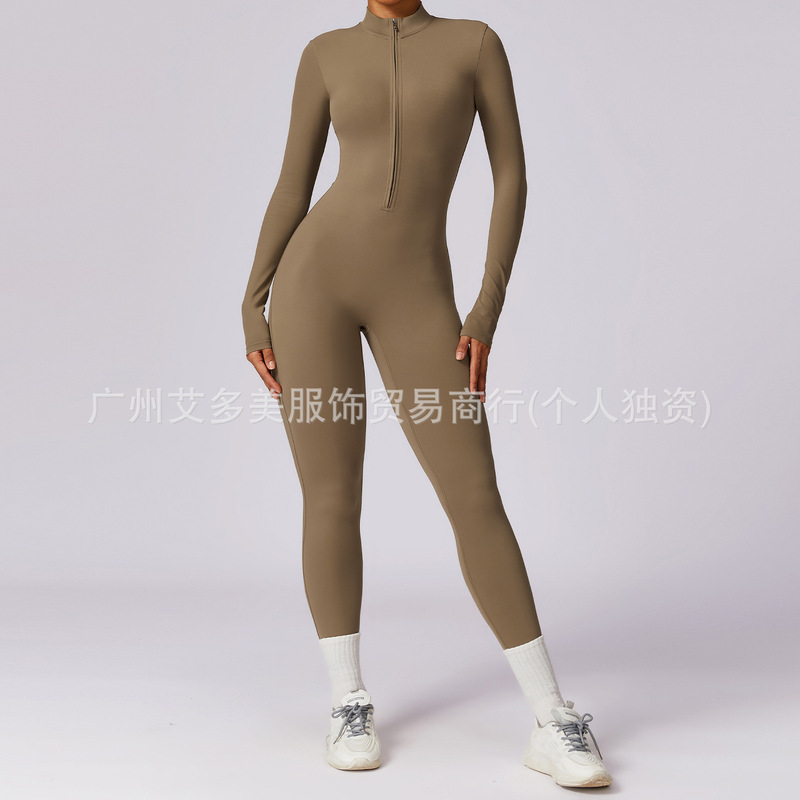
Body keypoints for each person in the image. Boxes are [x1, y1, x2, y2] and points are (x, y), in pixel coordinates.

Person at [241, 0, 612, 788]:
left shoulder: (474, 45)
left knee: (473, 493)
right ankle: (348, 701)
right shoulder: (324, 52)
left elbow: (511, 174)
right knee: (330, 495)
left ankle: (553, 718)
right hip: (311, 287)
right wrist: (252, 301)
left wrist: (486, 306)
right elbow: (291, 187)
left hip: (416, 293)